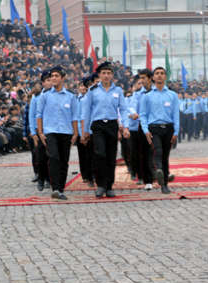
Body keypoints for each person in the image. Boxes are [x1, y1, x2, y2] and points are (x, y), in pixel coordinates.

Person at [82, 62, 129, 198]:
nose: (106, 76)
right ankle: (100, 185)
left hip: (112, 126)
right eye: (104, 73)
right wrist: (85, 131)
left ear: (112, 75)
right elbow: (87, 111)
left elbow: (123, 109)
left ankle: (109, 186)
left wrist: (125, 126)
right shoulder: (93, 90)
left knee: (110, 156)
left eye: (109, 73)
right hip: (97, 126)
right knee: (100, 154)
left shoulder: (118, 91)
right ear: (99, 75)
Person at [36, 66, 78, 200]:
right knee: (53, 157)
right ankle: (55, 188)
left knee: (64, 161)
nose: (54, 78)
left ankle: (60, 188)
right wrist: (40, 132)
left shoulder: (71, 96)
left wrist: (76, 133)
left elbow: (75, 116)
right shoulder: (45, 95)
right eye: (52, 76)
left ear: (62, 78)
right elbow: (39, 115)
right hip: (50, 132)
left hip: (66, 132)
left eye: (56, 76)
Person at [139, 67, 179, 194]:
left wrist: (176, 132)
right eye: (157, 73)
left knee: (165, 156)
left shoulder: (172, 95)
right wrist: (145, 130)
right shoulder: (147, 96)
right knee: (158, 150)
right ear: (153, 78)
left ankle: (164, 184)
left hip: (168, 128)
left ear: (165, 77)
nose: (160, 75)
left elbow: (176, 115)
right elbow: (143, 115)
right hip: (153, 129)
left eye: (162, 73)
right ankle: (159, 171)